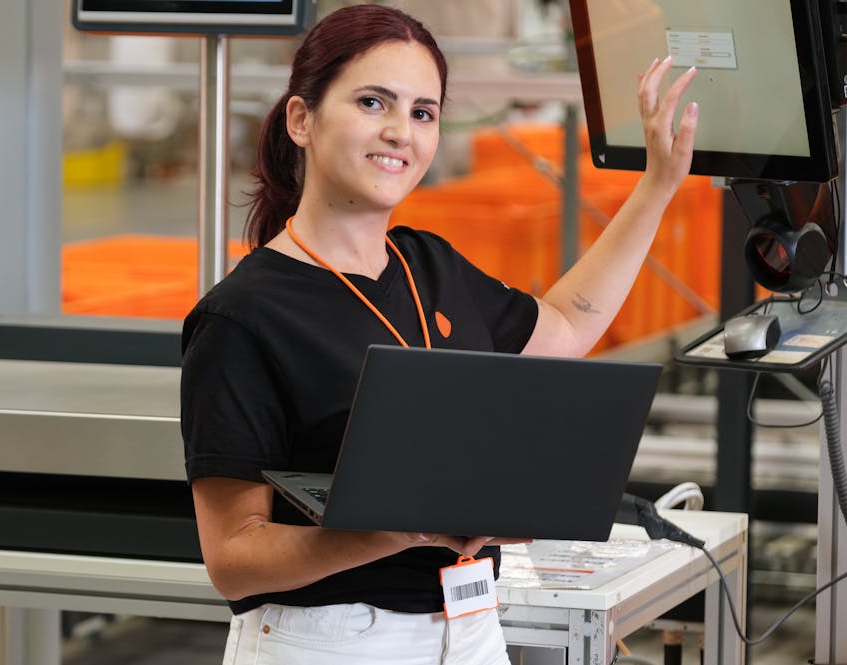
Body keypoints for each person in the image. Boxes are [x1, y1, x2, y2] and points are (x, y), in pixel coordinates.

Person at [180, 5, 698, 664]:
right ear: (301, 119)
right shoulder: (242, 318)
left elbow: (566, 325)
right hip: (335, 640)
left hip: (470, 623)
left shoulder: (430, 264)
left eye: (424, 112)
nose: (401, 131)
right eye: (374, 102)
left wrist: (657, 186)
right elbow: (233, 557)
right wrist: (386, 534)